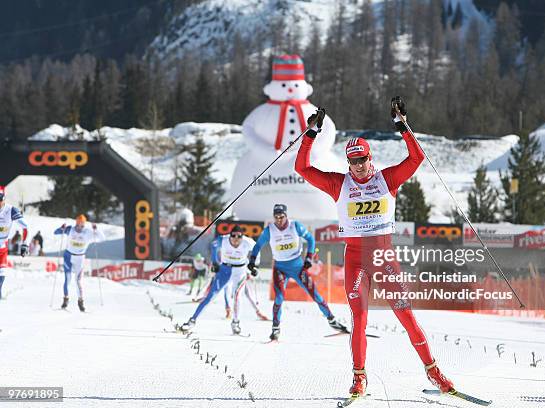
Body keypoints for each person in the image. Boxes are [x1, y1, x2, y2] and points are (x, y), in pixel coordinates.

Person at [295, 98, 454, 397]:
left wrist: (402, 126)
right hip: (355, 260)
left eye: (361, 160)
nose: (357, 166)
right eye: (352, 161)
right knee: (359, 320)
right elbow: (302, 167)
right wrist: (310, 135)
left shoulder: (387, 179)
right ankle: (359, 377)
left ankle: (433, 371)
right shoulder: (338, 184)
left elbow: (416, 159)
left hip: (384, 258)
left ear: (370, 157)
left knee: (406, 315)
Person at [248, 204, 347, 341]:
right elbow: (258, 245)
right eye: (276, 217)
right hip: (280, 268)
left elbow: (311, 240)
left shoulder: (295, 226)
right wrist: (252, 260)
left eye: (281, 217)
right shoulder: (269, 230)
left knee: (315, 295)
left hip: (297, 267)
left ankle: (332, 320)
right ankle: (275, 329)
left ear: (286, 215)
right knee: (278, 298)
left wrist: (309, 257)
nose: (279, 220)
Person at [181, 225, 257, 335]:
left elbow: (258, 248)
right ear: (230, 235)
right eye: (233, 236)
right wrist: (215, 262)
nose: (236, 239)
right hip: (225, 270)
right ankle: (192, 321)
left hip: (239, 272)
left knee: (237, 296)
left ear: (242, 237)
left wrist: (254, 265)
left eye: (239, 236)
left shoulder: (248, 242)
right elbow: (213, 246)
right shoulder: (223, 240)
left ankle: (235, 323)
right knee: (210, 296)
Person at [54, 214, 105, 312]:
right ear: (76, 223)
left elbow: (102, 238)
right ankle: (65, 299)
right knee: (67, 279)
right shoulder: (70, 229)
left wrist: (96, 229)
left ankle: (80, 302)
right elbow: (56, 232)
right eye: (78, 225)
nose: (80, 227)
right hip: (68, 256)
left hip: (80, 258)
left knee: (78, 281)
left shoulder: (88, 232)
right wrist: (61, 228)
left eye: (82, 225)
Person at [0, 186, 29, 300]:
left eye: (0, 200)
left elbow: (26, 227)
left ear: (4, 199)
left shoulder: (11, 210)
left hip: (2, 247)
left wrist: (24, 244)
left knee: (1, 271)